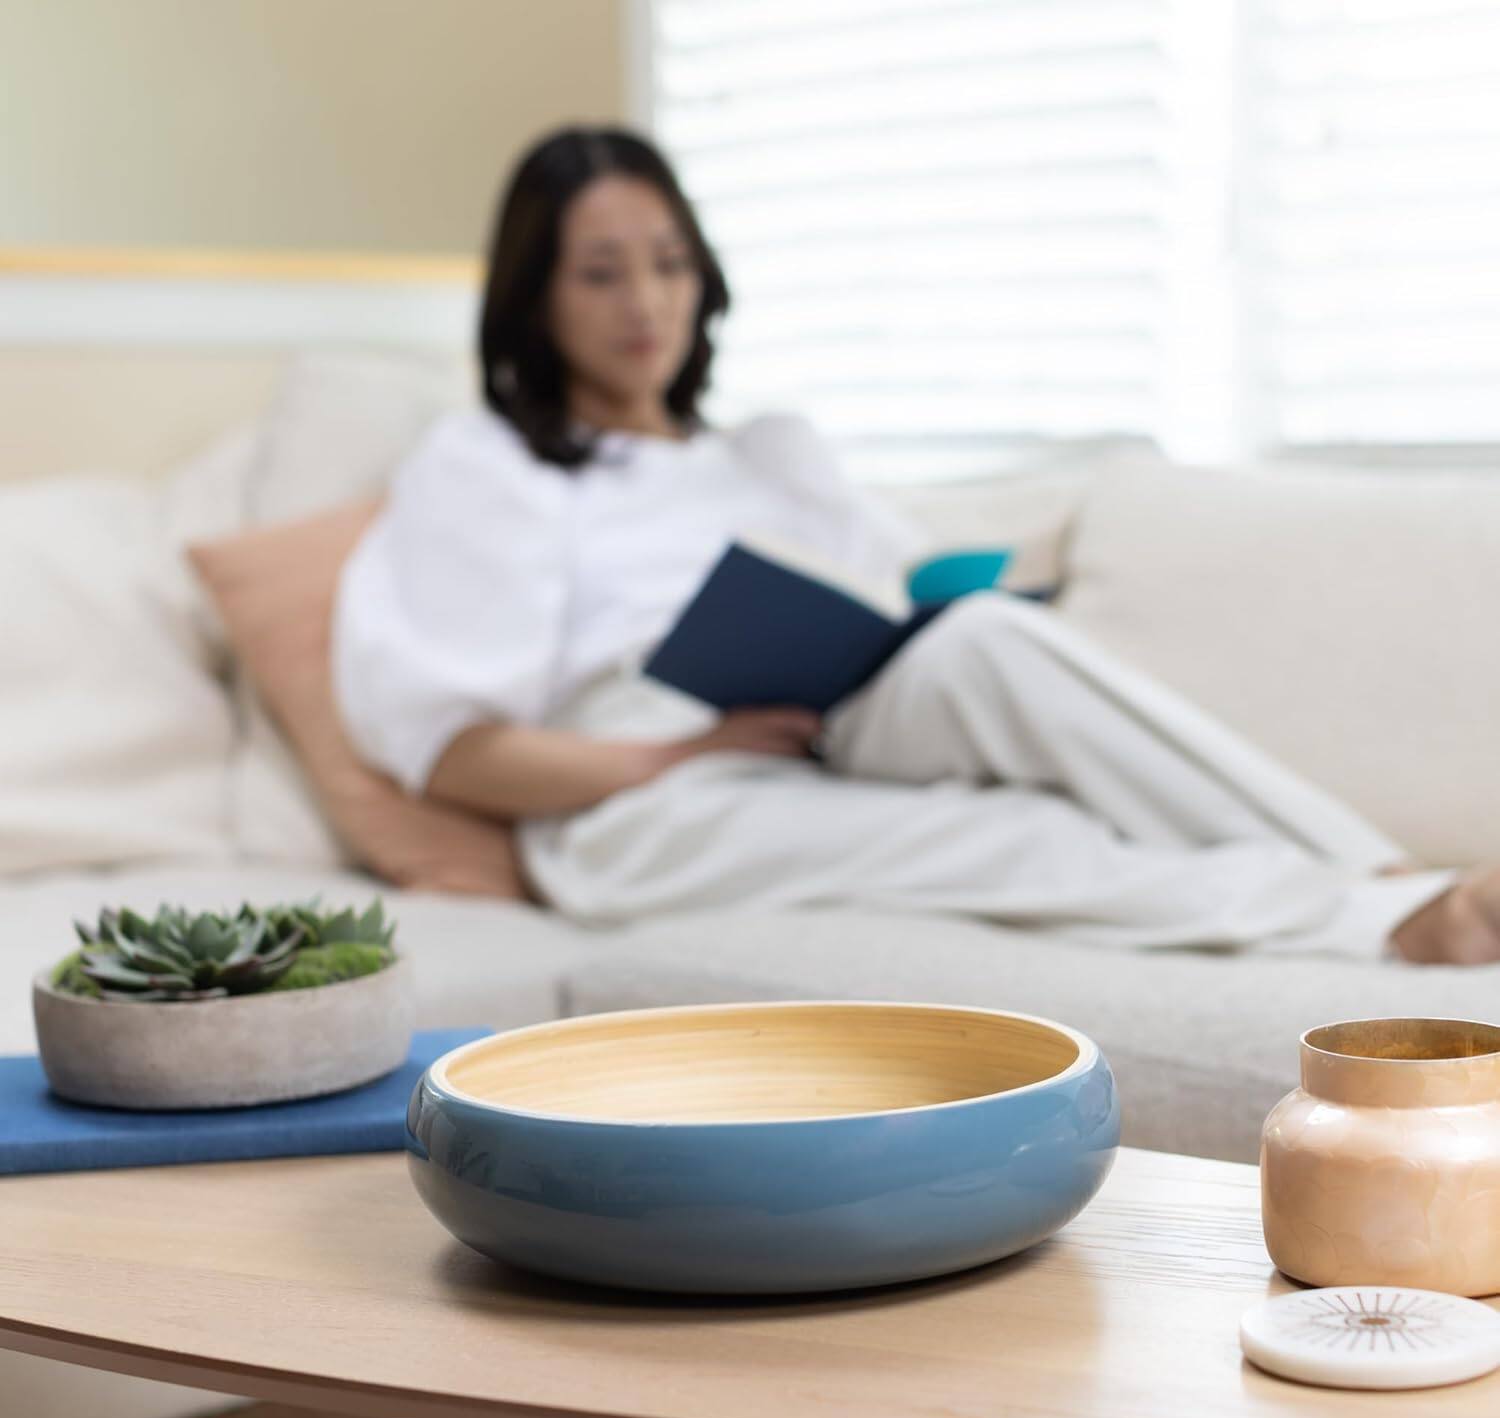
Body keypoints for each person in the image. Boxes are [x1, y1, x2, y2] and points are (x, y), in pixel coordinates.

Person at [332, 124, 1500, 965]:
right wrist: (671, 756)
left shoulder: (767, 455)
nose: (646, 301)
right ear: (535, 298)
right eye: (601, 273)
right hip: (637, 805)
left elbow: (901, 595)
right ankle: (1390, 922)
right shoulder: (487, 464)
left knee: (982, 641)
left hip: (821, 722)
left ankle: (1386, 868)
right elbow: (456, 752)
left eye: (670, 262)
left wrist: (961, 606)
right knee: (1013, 836)